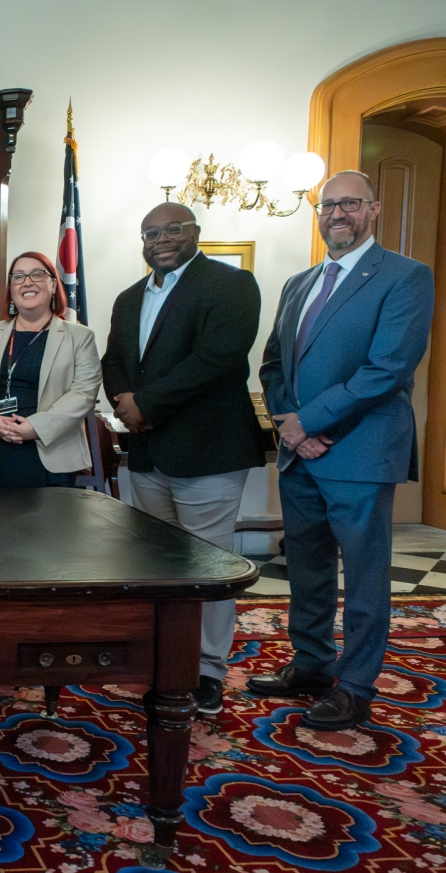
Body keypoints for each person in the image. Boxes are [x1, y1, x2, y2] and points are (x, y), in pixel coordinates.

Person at [249, 171, 434, 730]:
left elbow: (389, 368)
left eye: (349, 203)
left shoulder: (405, 276)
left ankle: (355, 686)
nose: (337, 214)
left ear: (372, 209)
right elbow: (274, 363)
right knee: (305, 566)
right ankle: (310, 665)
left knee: (365, 573)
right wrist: (290, 424)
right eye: (327, 205)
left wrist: (310, 422)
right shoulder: (299, 282)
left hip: (359, 449)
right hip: (300, 450)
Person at [101, 202, 264, 718]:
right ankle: (165, 659)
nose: (161, 239)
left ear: (196, 231)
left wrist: (146, 404)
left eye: (173, 229)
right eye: (151, 232)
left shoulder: (231, 285)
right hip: (147, 452)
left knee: (208, 567)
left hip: (208, 450)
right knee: (160, 566)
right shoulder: (130, 298)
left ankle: (208, 671)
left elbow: (215, 361)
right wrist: (126, 402)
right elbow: (114, 360)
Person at [0, 251, 102, 487]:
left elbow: (84, 393)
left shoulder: (80, 336)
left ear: (53, 285)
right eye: (18, 276)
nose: (27, 282)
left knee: (48, 524)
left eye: (37, 274)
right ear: (11, 288)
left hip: (50, 450)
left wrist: (35, 427)